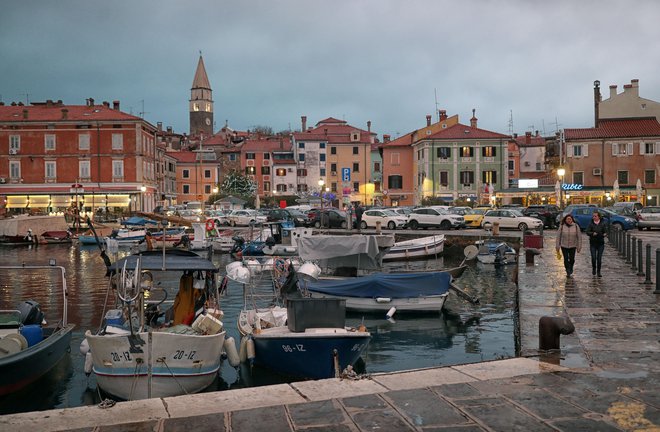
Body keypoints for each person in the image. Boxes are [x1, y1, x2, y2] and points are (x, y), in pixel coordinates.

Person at [585, 211, 607, 277]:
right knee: (593, 257)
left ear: (599, 217)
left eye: (595, 216)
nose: (594, 217)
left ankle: (598, 271)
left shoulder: (603, 223)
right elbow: (587, 232)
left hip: (600, 243)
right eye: (593, 216)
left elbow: (606, 231)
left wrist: (605, 234)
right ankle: (594, 268)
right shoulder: (591, 223)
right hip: (593, 243)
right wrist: (592, 233)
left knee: (599, 258)